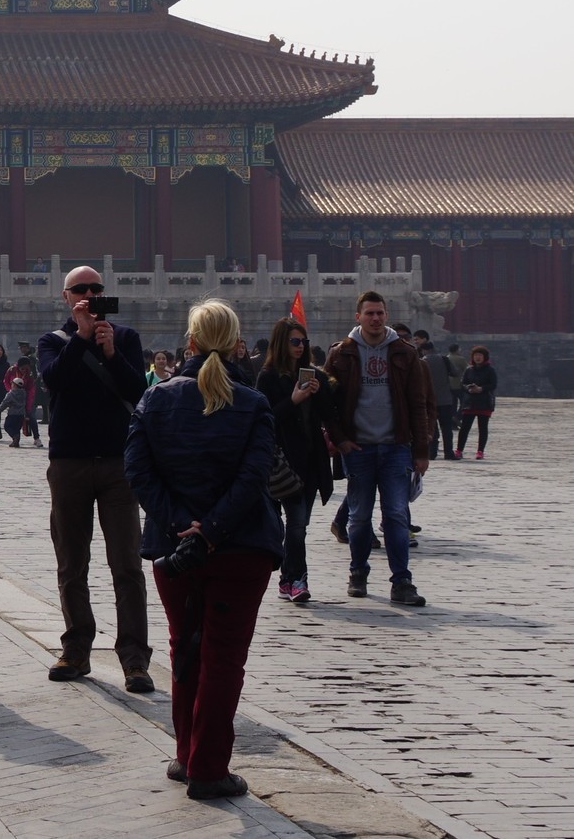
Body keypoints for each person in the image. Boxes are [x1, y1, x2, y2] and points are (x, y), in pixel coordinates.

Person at [126, 299, 282, 801]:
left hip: (174, 552)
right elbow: (254, 477)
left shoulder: (156, 399)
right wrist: (211, 530)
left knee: (185, 649)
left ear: (189, 344)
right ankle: (209, 769)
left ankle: (186, 755)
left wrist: (181, 526)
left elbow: (138, 473)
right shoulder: (253, 404)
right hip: (239, 549)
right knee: (222, 658)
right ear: (238, 345)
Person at [36, 265, 155, 693]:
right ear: (66, 297)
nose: (89, 294)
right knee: (72, 563)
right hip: (68, 462)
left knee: (126, 564)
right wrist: (83, 337)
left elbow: (137, 390)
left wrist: (109, 351)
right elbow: (55, 381)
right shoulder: (53, 341)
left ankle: (135, 659)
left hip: (117, 463)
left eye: (96, 289)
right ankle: (77, 648)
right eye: (80, 289)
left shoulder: (124, 338)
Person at [321, 291, 430, 606]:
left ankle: (402, 581)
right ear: (358, 317)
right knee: (359, 516)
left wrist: (421, 450)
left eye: (380, 313)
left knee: (396, 514)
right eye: (369, 313)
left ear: (386, 315)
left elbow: (418, 404)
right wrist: (340, 439)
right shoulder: (342, 354)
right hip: (359, 448)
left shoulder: (405, 353)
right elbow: (328, 405)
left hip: (396, 447)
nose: (375, 319)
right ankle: (358, 572)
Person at [254, 319, 333, 604]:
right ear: (281, 343)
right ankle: (296, 579)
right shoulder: (268, 377)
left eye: (303, 342)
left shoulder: (313, 374)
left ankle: (290, 579)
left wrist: (320, 387)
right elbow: (266, 419)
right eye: (295, 342)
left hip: (311, 462)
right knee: (289, 525)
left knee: (299, 525)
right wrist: (295, 399)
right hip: (281, 463)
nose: (300, 347)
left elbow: (326, 415)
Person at [454, 346, 498, 460]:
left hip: (484, 402)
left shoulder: (490, 370)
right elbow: (462, 383)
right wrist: (469, 388)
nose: (478, 358)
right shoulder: (469, 370)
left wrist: (481, 388)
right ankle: (459, 450)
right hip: (470, 402)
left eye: (480, 355)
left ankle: (480, 451)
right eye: (476, 355)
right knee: (464, 428)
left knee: (482, 428)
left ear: (485, 357)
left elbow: (493, 385)